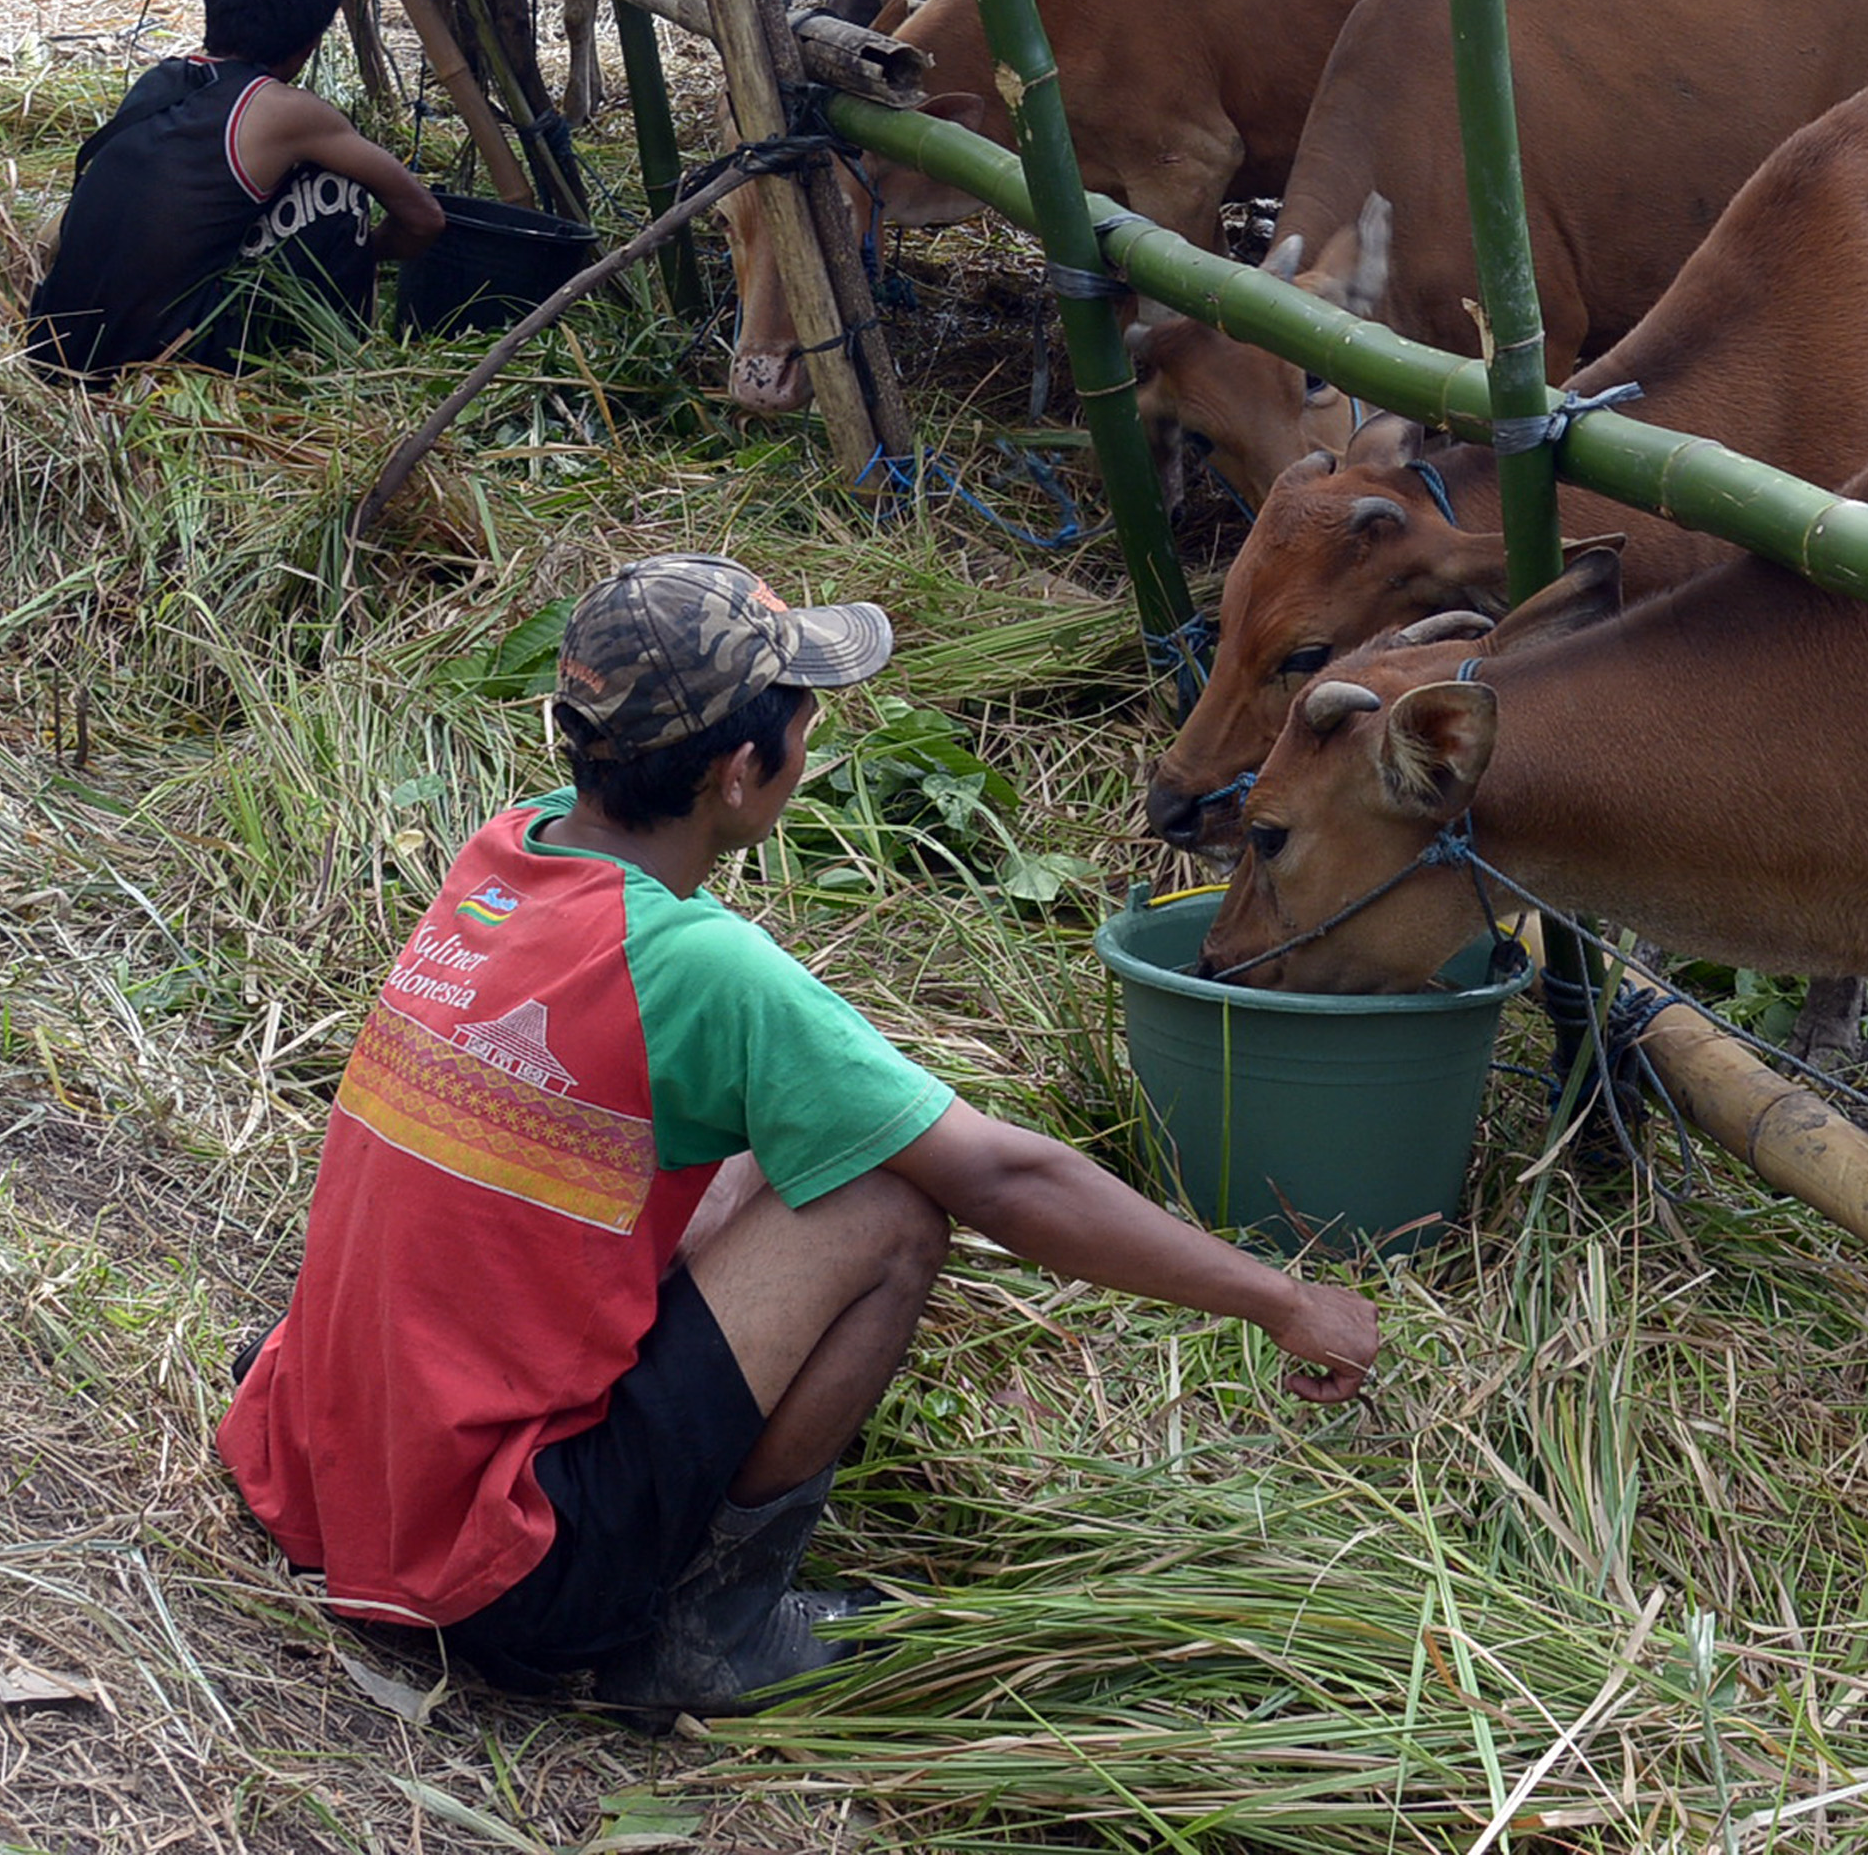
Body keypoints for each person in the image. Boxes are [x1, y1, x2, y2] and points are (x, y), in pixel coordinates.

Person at [216, 555, 1383, 1713]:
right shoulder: (704, 970)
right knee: (884, 1206)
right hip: (497, 1570)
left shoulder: (507, 854)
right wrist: (1281, 1300)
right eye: (804, 721)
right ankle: (706, 1631)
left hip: (321, 1467)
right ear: (739, 771)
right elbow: (1004, 1176)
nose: (813, 740)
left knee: (769, 1132)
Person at [24, 0, 449, 380]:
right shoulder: (286, 113)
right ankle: (323, 368)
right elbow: (424, 218)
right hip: (151, 367)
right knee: (335, 188)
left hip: (57, 348)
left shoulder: (160, 81)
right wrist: (360, 249)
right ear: (309, 43)